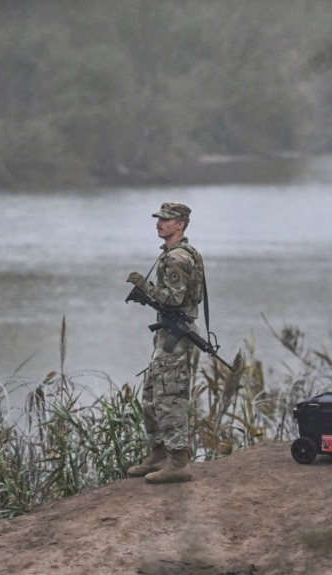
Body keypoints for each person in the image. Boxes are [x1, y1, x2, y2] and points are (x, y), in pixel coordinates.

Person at [125, 202, 204, 484]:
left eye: (166, 220)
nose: (159, 223)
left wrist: (143, 286)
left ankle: (178, 461)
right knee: (151, 396)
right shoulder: (175, 254)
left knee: (170, 396)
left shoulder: (177, 259)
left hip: (176, 337)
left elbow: (175, 299)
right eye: (159, 218)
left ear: (180, 224)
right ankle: (158, 454)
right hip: (169, 334)